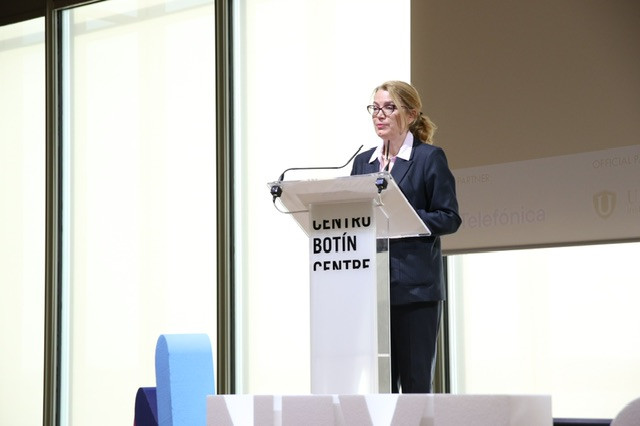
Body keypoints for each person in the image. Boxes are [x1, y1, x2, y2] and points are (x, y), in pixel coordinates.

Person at [350, 80, 461, 393]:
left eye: (389, 107)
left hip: (415, 291)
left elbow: (449, 217)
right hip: (372, 289)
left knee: (415, 387)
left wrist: (405, 217)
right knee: (380, 388)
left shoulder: (428, 158)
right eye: (375, 108)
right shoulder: (363, 162)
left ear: (411, 115)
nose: (379, 115)